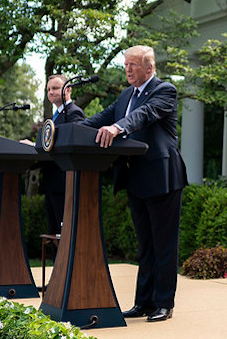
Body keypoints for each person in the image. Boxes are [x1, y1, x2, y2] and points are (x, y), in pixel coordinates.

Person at [81, 45, 187, 323]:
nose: (127, 69)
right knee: (145, 245)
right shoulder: (125, 95)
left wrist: (118, 128)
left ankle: (164, 303)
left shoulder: (165, 91)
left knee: (163, 243)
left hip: (163, 176)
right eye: (126, 64)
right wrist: (60, 131)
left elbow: (143, 115)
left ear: (149, 68)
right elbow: (99, 119)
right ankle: (143, 302)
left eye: (133, 65)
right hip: (135, 177)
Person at [39, 75, 85, 235]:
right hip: (52, 181)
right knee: (53, 232)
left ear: (68, 89)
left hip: (64, 181)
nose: (51, 92)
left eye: (55, 88)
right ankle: (56, 261)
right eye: (48, 89)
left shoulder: (74, 113)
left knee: (63, 232)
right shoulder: (55, 116)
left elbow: (72, 144)